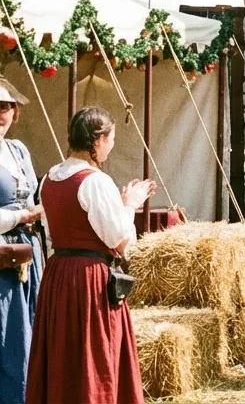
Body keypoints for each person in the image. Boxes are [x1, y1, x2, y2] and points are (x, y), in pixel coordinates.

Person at [27, 107, 152, 402]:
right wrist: (130, 204)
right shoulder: (95, 181)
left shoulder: (49, 179)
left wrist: (118, 205)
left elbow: (52, 233)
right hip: (89, 281)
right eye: (111, 139)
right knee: (93, 355)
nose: (112, 146)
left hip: (58, 276)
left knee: (63, 355)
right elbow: (120, 241)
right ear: (98, 141)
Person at [0, 79, 42, 402]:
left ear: (15, 112)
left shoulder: (19, 150)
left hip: (27, 255)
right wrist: (21, 217)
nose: (0, 114)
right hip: (1, 255)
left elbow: (32, 198)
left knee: (29, 330)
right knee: (6, 335)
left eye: (5, 106)